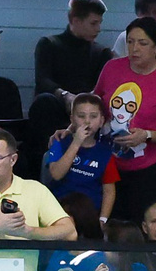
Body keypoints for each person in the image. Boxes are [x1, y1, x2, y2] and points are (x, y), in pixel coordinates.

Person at [96, 20, 156, 221]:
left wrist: (147, 135)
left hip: (147, 169)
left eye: (142, 43)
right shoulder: (112, 68)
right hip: (108, 161)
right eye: (130, 42)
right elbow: (92, 106)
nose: (134, 49)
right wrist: (71, 128)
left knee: (141, 229)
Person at [44, 93, 120, 222]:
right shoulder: (59, 142)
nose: (87, 121)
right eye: (81, 116)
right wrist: (76, 143)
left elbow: (109, 191)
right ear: (72, 119)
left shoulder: (106, 152)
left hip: (90, 214)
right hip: (59, 210)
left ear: (101, 121)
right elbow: (56, 174)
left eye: (93, 116)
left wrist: (103, 220)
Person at [36, 0, 113, 107]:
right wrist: (65, 96)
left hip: (89, 109)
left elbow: (103, 88)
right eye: (93, 23)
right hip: (56, 105)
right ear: (76, 21)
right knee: (44, 100)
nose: (98, 29)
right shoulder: (49, 44)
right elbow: (42, 80)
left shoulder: (102, 53)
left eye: (99, 23)